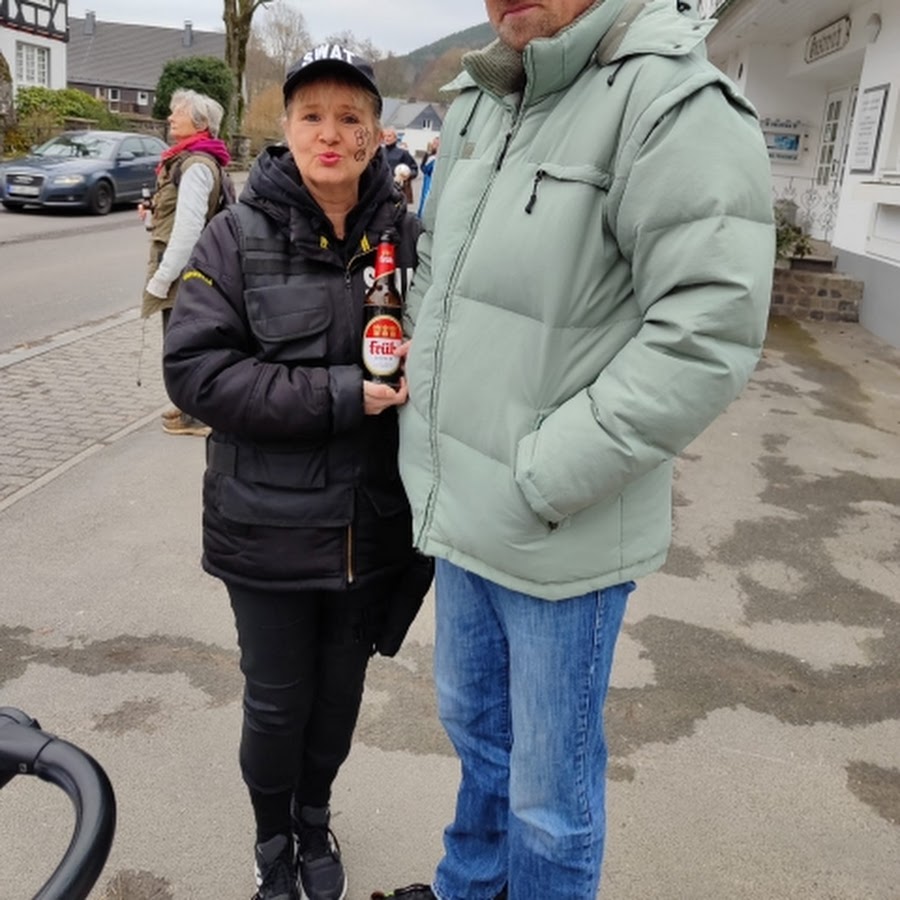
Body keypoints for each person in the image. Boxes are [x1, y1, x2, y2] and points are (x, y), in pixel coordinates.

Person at [374, 1, 775, 899]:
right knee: (477, 739)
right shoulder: (483, 98)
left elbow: (708, 331)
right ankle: (468, 887)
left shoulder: (672, 103)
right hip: (460, 507)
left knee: (550, 800)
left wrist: (548, 473)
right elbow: (438, 275)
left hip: (557, 525)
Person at [162, 44, 432, 900]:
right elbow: (195, 373)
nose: (331, 133)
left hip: (371, 530)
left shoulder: (408, 237)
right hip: (266, 531)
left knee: (338, 702)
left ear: (376, 135)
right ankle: (271, 838)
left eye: (351, 118)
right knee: (277, 704)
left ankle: (314, 821)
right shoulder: (235, 236)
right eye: (313, 115)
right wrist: (344, 394)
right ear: (286, 127)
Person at [140, 87, 231, 437]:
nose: (170, 117)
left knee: (182, 344)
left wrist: (162, 279)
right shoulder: (190, 160)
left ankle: (197, 415)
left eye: (177, 112)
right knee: (185, 340)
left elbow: (189, 229)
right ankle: (189, 406)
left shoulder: (195, 166)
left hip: (185, 271)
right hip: (188, 268)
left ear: (200, 123)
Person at [382, 128, 418, 205]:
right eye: (385, 136)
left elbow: (414, 169)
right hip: (381, 188)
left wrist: (407, 175)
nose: (386, 138)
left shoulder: (403, 153)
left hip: (398, 189)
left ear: (395, 138)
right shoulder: (379, 153)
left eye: (389, 136)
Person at [416, 137, 439, 219]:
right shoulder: (429, 156)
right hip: (428, 180)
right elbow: (423, 167)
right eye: (434, 143)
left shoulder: (438, 157)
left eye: (437, 144)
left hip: (433, 181)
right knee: (424, 199)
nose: (435, 145)